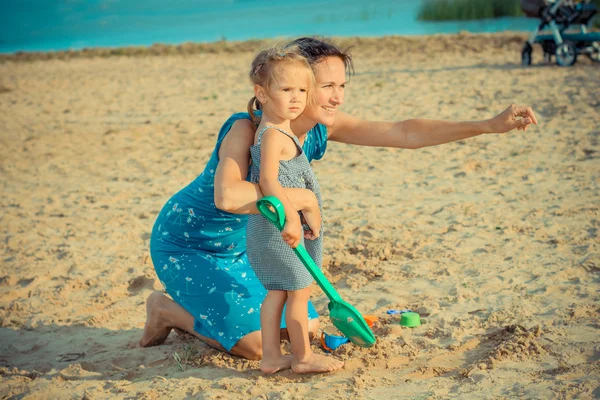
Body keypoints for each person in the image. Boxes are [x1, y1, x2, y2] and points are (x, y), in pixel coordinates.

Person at [140, 37, 538, 368]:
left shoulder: (318, 129)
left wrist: (488, 125)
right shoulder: (247, 128)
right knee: (258, 347)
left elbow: (403, 132)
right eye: (326, 86)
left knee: (304, 328)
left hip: (250, 246)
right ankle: (167, 310)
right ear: (294, 83)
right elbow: (228, 196)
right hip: (189, 245)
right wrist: (302, 198)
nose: (336, 97)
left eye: (342, 86)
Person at [243, 47, 344, 374]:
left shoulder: (281, 128)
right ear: (262, 93)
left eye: (302, 90)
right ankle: (302, 357)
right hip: (278, 227)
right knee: (300, 291)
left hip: (270, 227)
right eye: (286, 90)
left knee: (277, 291)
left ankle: (272, 357)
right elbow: (269, 182)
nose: (296, 97)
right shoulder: (273, 134)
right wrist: (290, 218)